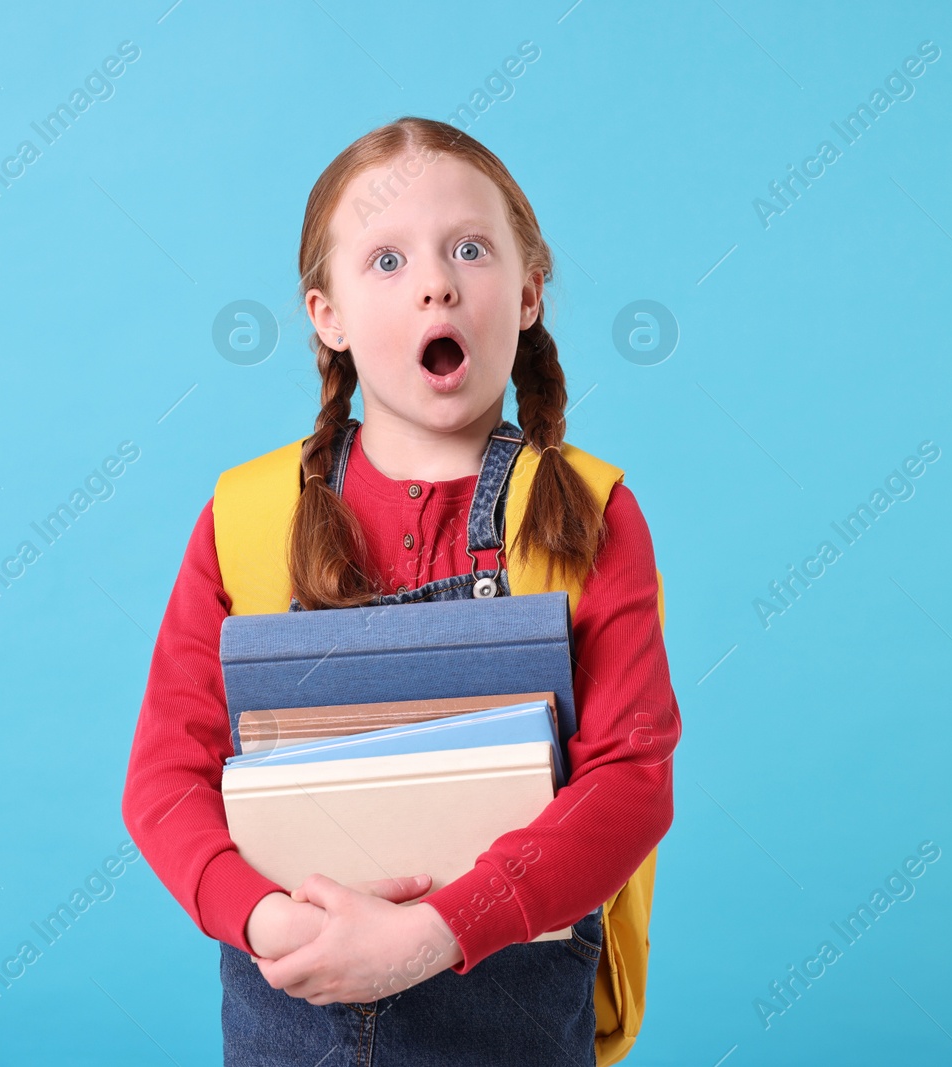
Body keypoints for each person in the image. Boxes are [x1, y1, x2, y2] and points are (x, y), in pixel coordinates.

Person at [121, 115, 680, 1065]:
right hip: (289, 991)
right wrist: (259, 919)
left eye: (471, 248)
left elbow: (629, 781)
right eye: (386, 259)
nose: (436, 280)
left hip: (506, 997)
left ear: (530, 291)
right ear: (324, 313)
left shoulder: (589, 515)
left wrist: (435, 933)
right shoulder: (244, 519)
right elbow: (164, 781)